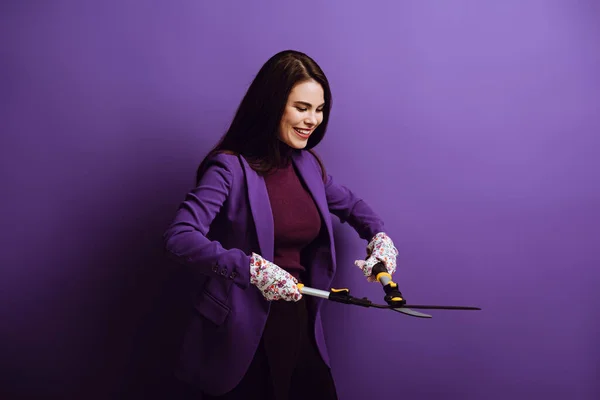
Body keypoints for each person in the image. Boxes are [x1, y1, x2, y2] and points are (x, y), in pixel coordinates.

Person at [163, 50, 399, 400]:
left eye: (319, 110)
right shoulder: (228, 168)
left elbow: (354, 207)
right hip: (241, 329)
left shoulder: (308, 166)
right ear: (272, 105)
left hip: (299, 321)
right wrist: (251, 268)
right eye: (302, 108)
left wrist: (379, 238)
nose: (313, 120)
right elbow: (179, 237)